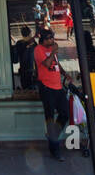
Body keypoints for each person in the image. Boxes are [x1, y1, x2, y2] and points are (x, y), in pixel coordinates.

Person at [34, 29, 73, 162]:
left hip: (58, 87)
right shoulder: (38, 49)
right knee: (50, 118)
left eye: (52, 38)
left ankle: (53, 134)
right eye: (49, 38)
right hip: (46, 88)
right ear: (43, 40)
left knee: (65, 114)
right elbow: (46, 63)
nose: (52, 40)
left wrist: (64, 73)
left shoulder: (51, 49)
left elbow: (56, 63)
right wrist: (54, 51)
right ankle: (55, 150)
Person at [13, 26, 38, 90]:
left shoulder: (19, 43)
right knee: (32, 89)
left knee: (25, 88)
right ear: (30, 34)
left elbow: (16, 59)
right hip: (31, 70)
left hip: (23, 70)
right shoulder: (32, 43)